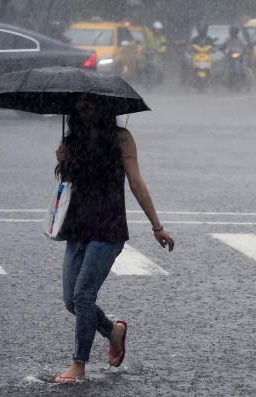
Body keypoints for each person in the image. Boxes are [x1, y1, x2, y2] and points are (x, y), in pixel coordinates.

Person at [52, 94, 175, 383]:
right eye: (81, 106)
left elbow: (135, 181)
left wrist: (157, 226)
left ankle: (78, 365)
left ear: (105, 108)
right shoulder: (72, 139)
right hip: (78, 226)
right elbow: (66, 184)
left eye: (92, 105)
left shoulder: (121, 138)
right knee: (72, 301)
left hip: (109, 227)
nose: (87, 111)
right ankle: (113, 331)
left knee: (83, 296)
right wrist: (62, 162)